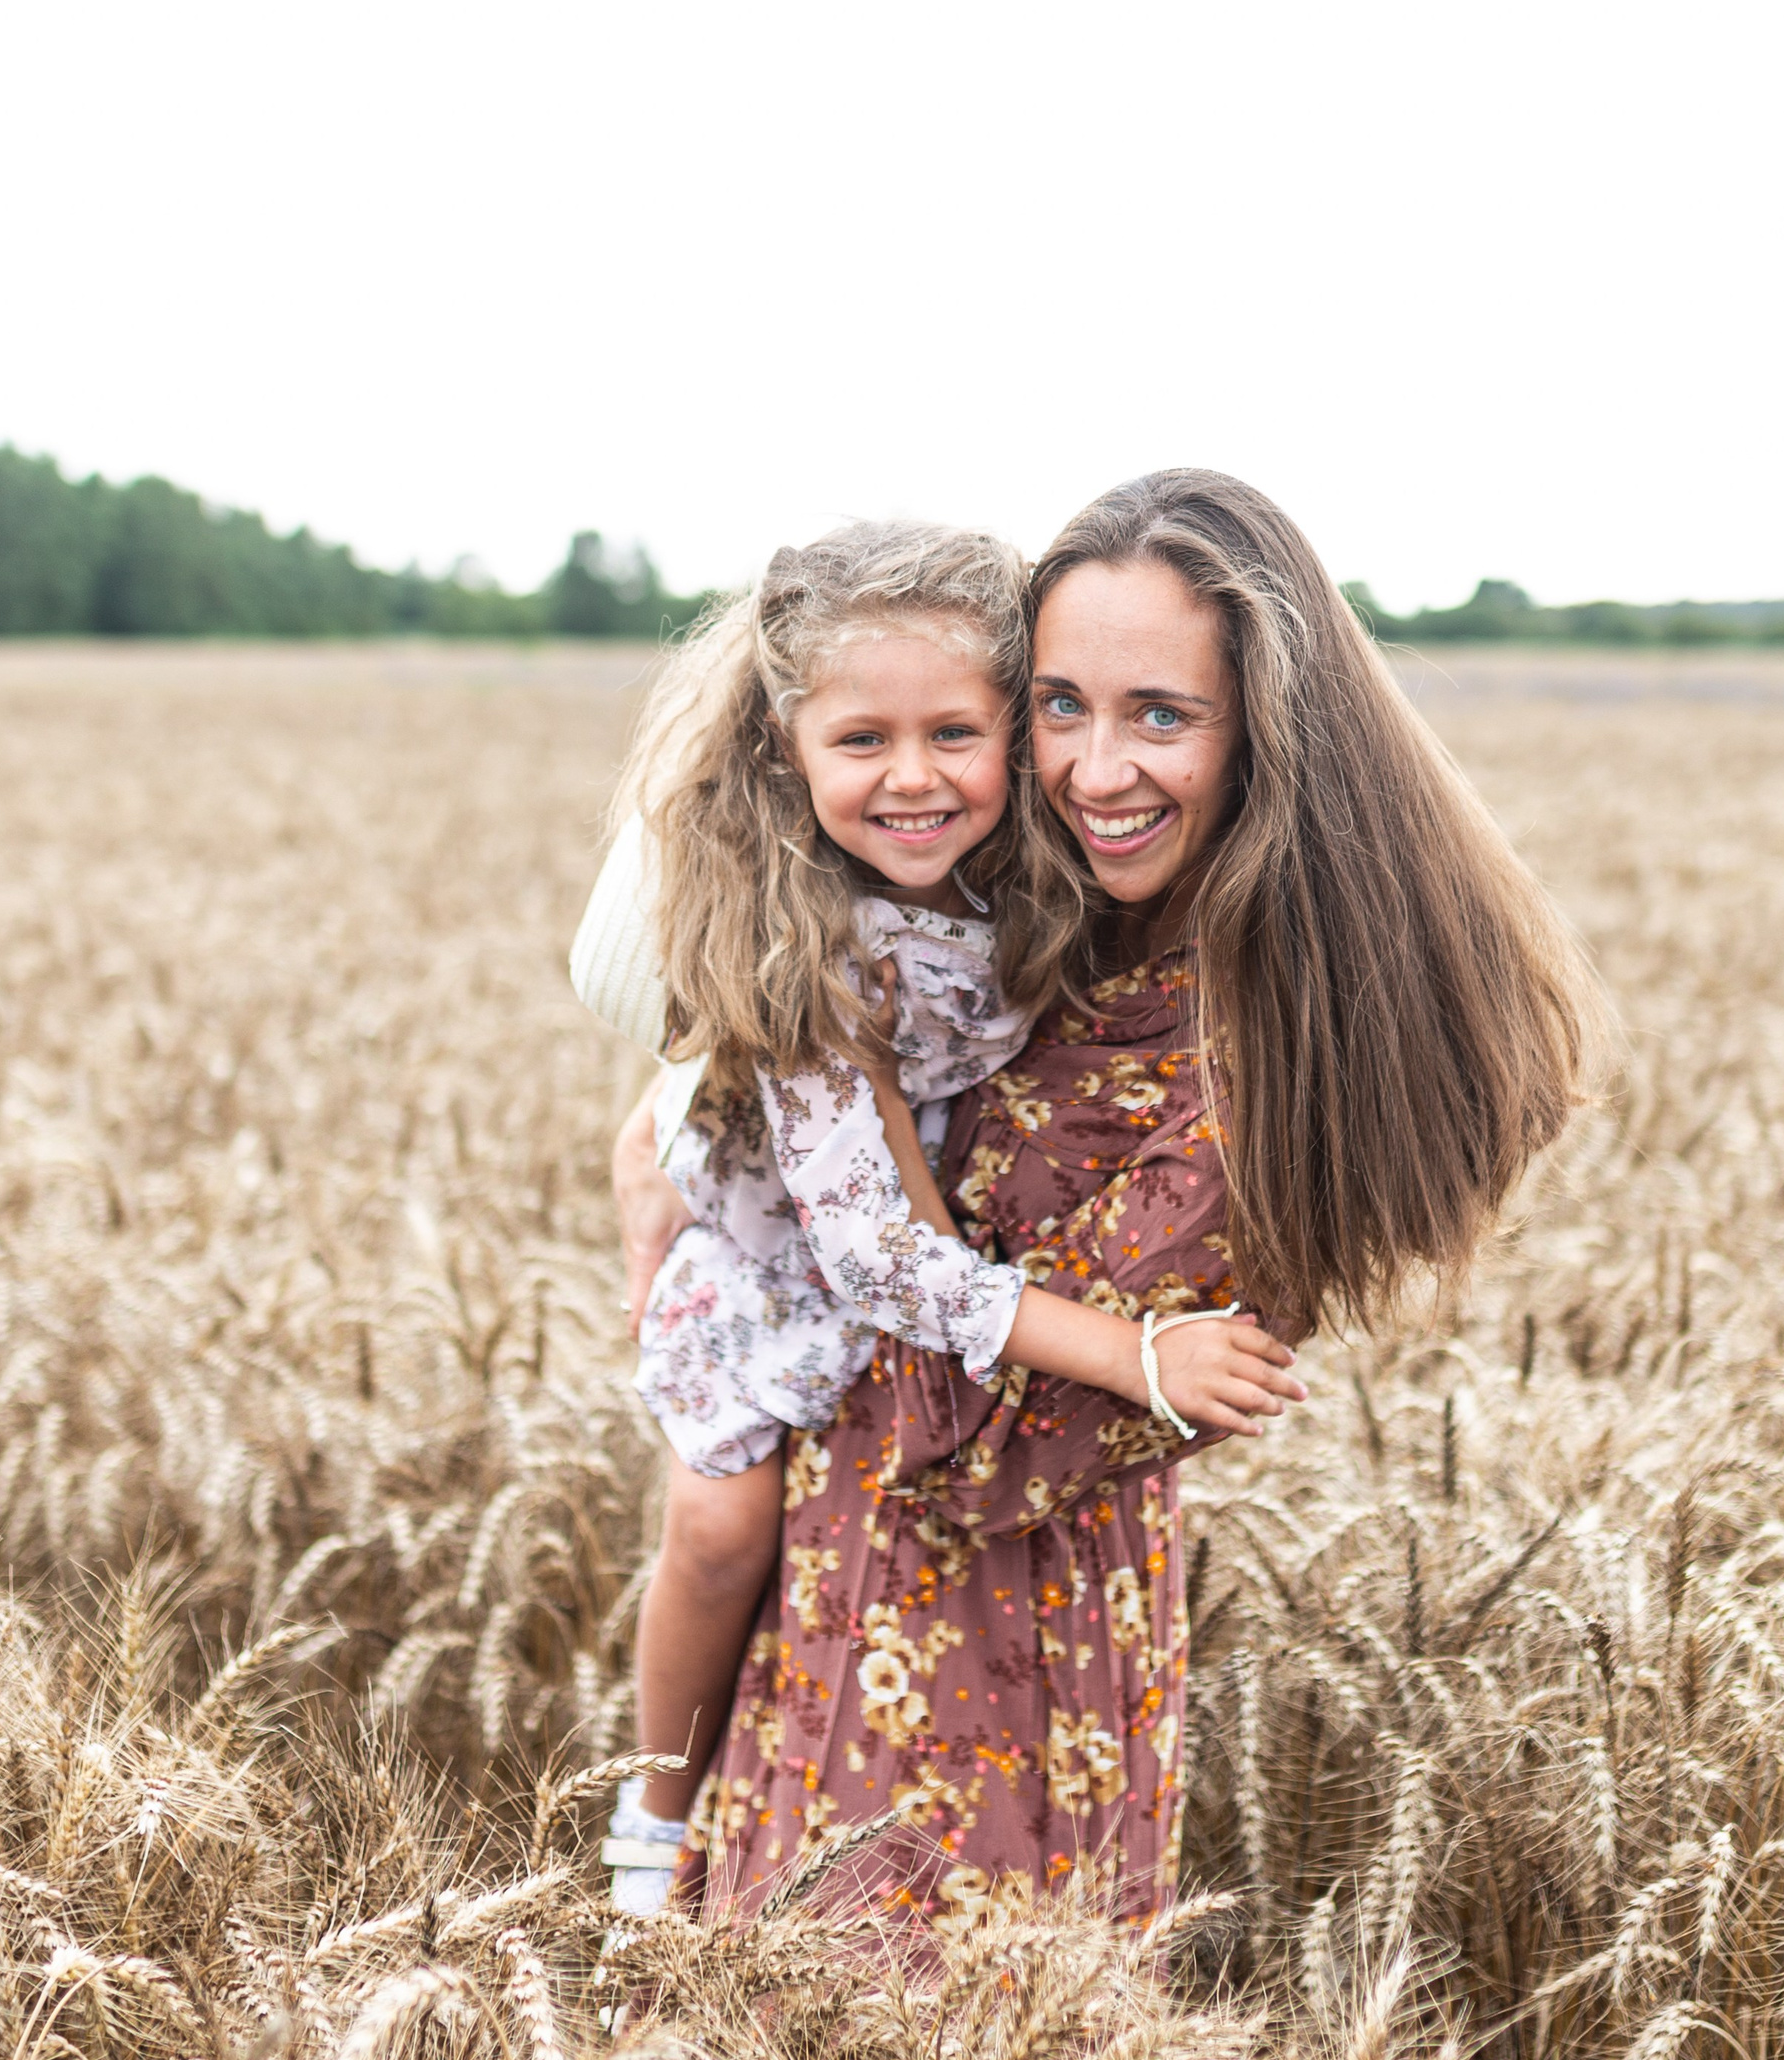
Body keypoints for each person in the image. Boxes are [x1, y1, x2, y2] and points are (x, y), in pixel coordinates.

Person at [612, 471, 1598, 1929]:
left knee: (928, 2044)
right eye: (1062, 706)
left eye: (1163, 715)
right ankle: (646, 1824)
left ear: (1268, 730)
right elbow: (790, 1030)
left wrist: (864, 1154)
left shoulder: (1251, 1059)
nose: (1093, 769)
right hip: (897, 1596)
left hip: (952, 1634)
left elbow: (951, 1429)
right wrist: (684, 1117)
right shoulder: (1056, 908)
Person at [574, 519, 1307, 1909]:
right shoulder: (811, 954)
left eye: (956, 734)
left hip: (909, 1283)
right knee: (721, 1534)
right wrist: (1137, 1353)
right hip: (779, 1278)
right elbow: (879, 1259)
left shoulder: (1035, 873)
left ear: (1011, 731)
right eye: (862, 741)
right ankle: (653, 1824)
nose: (914, 778)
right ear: (785, 746)